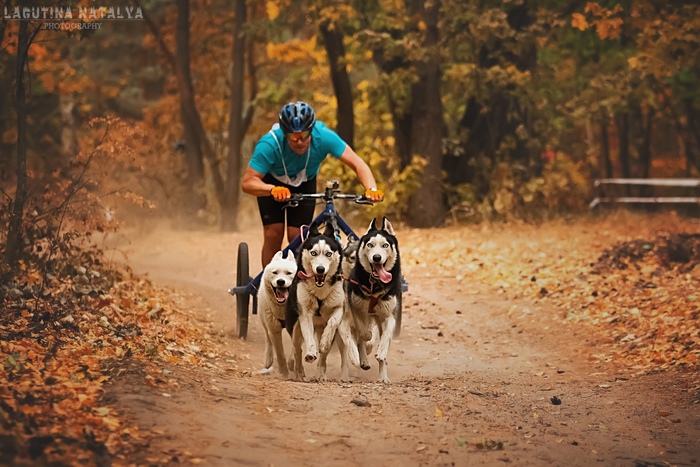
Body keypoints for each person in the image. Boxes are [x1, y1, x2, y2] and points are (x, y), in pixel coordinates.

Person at [241, 101, 384, 267]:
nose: (299, 141)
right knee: (274, 233)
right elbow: (248, 182)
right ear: (284, 134)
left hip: (304, 182)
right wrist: (272, 190)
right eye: (293, 137)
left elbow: (358, 164)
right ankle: (270, 282)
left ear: (312, 130)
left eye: (304, 135)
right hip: (272, 184)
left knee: (298, 236)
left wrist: (371, 189)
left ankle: (297, 282)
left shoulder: (323, 136)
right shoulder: (269, 145)